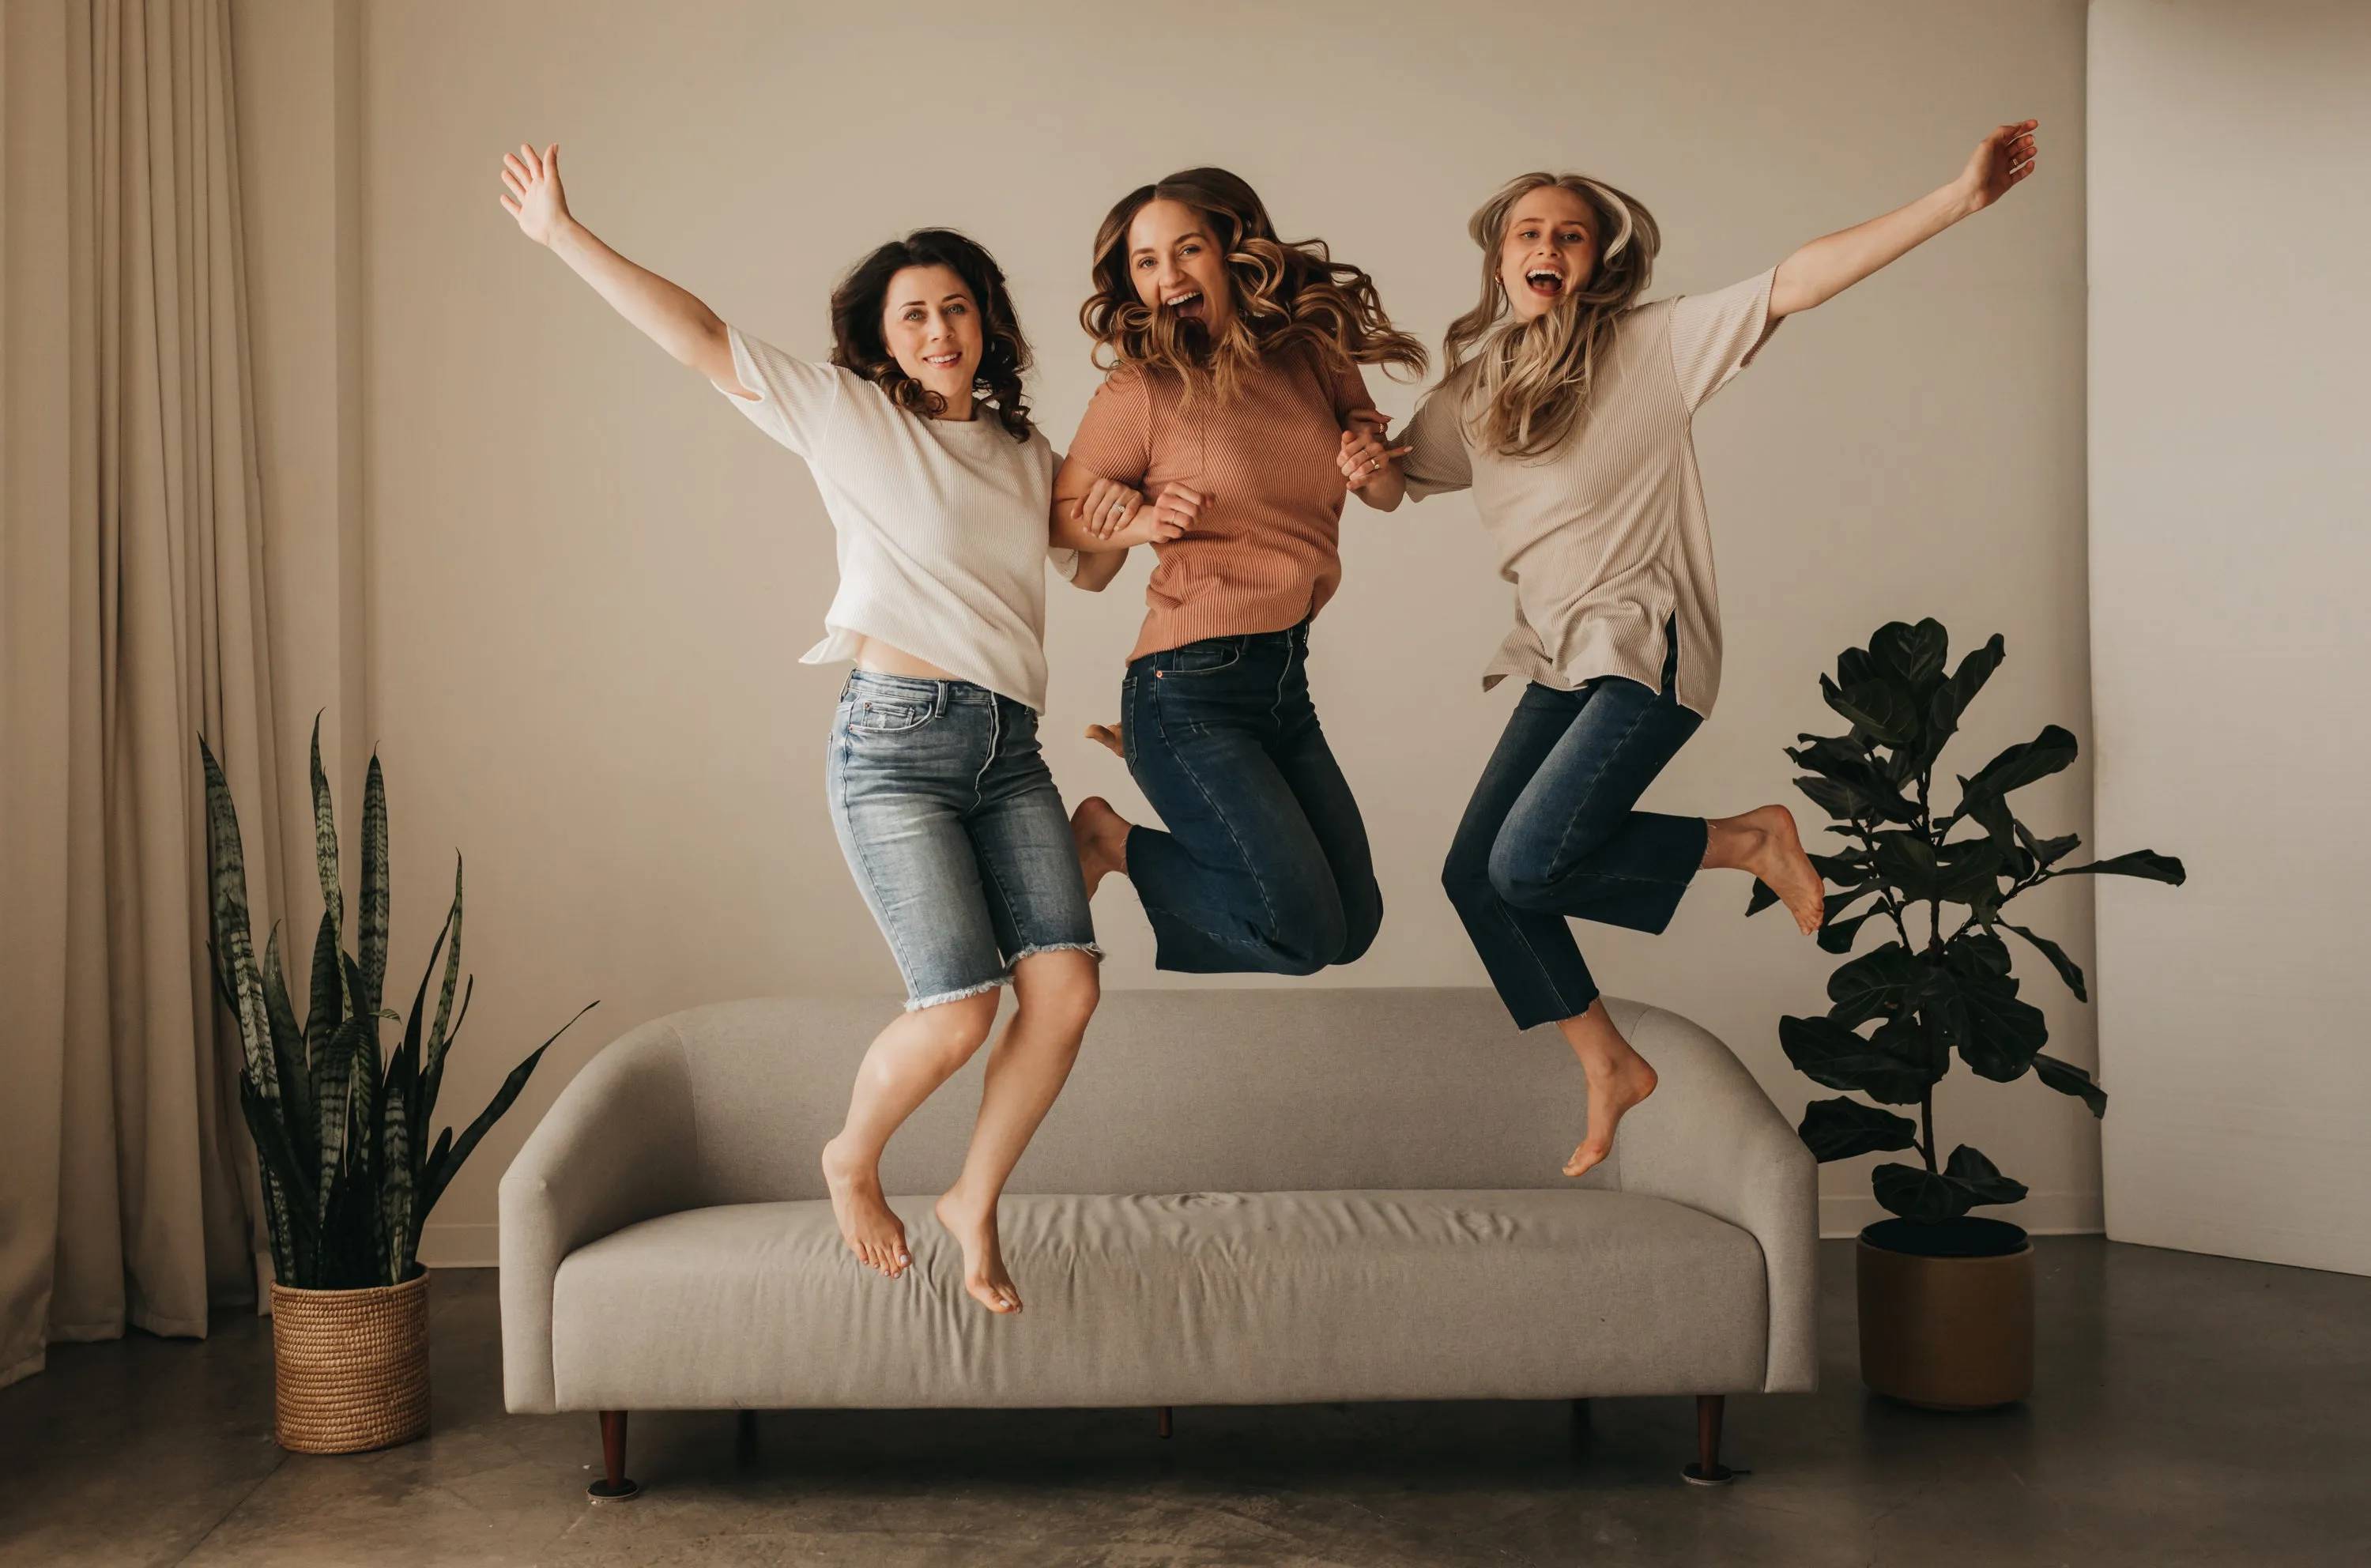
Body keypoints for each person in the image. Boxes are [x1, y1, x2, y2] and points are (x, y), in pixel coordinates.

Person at [499, 142, 1115, 1314]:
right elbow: (698, 335)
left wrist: (1129, 524)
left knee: (1070, 989)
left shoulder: (1026, 454)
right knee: (958, 1012)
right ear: (882, 340)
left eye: (956, 308)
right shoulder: (846, 420)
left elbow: (1082, 569)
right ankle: (851, 1158)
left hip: (1010, 747)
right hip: (897, 748)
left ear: (987, 324)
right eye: (915, 315)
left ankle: (972, 1200)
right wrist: (563, 236)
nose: (940, 329)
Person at [1387, 122, 2041, 1178]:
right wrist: (1352, 460)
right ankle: (1608, 1062)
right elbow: (1392, 481)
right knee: (1476, 875)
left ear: (1598, 261)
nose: (1548, 245)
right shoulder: (1474, 390)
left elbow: (1795, 283)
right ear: (1501, 256)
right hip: (1556, 656)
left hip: (1645, 646)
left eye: (1572, 234)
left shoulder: (1652, 345)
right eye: (1528, 231)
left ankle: (1747, 841)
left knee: (1526, 861)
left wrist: (1953, 201)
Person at [1050, 168, 1426, 976]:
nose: (1169, 275)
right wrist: (1141, 517)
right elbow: (1056, 514)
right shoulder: (1144, 388)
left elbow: (1389, 492)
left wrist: (1370, 467)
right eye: (1145, 262)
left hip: (1283, 680)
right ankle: (1107, 841)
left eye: (1187, 249)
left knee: (1353, 927)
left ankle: (1143, 823)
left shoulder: (1311, 355)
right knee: (1300, 933)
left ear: (1232, 251)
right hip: (1186, 687)